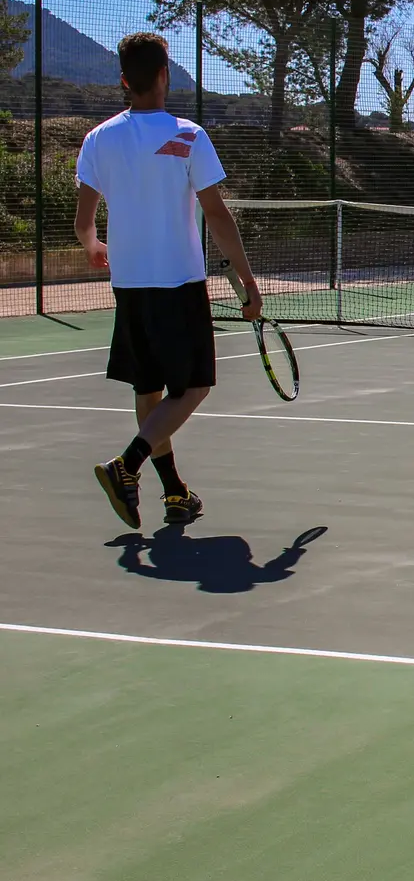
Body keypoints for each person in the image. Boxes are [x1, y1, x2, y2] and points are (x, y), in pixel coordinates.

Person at [76, 32, 262, 531]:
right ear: (164, 75)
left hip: (129, 284)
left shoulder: (99, 139)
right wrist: (247, 281)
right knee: (195, 385)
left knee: (149, 388)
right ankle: (127, 465)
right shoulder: (188, 135)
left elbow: (83, 221)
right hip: (178, 283)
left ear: (123, 81)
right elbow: (218, 217)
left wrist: (95, 247)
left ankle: (175, 492)